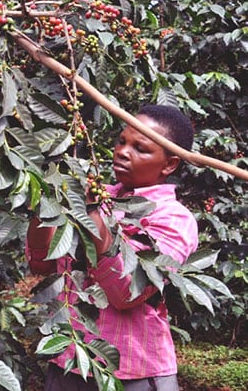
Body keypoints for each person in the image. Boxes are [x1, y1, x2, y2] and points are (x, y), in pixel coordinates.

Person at [26, 104, 198, 391]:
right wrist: (43, 206)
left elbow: (127, 293)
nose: (122, 152)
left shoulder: (173, 219)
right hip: (70, 362)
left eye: (140, 148)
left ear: (169, 164)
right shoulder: (95, 196)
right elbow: (42, 265)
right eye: (121, 142)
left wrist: (92, 214)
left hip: (133, 374)